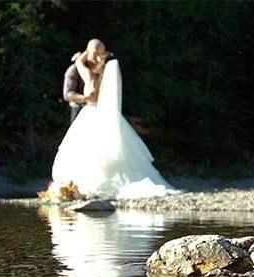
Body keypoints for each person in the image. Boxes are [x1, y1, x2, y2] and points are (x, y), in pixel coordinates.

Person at [51, 39, 179, 199]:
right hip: (105, 114)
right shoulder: (107, 76)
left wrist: (81, 56)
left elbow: (79, 64)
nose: (97, 56)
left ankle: (86, 185)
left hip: (91, 113)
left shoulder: (90, 75)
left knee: (89, 151)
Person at [62, 39, 105, 123]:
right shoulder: (74, 70)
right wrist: (87, 98)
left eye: (101, 54)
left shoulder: (103, 71)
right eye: (95, 53)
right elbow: (67, 94)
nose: (97, 58)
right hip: (78, 111)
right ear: (87, 52)